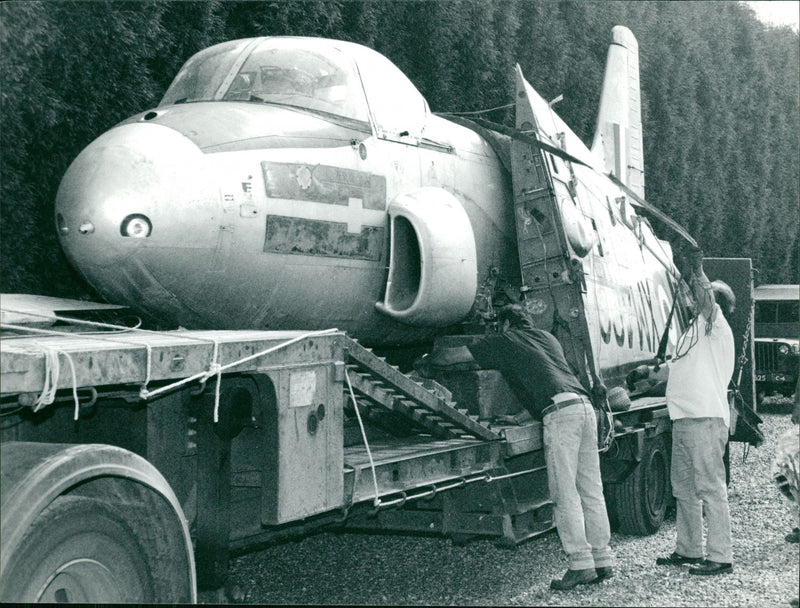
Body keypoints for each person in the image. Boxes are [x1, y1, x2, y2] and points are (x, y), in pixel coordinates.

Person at [423, 304, 614, 590]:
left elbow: (452, 357)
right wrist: (517, 417)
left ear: (504, 324)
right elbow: (549, 378)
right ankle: (603, 559)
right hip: (583, 408)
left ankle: (580, 565)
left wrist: (428, 358)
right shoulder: (547, 339)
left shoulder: (506, 340)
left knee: (565, 493)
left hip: (561, 416)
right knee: (591, 489)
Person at [655, 247, 736, 576]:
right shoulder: (693, 333)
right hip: (686, 420)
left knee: (710, 489)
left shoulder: (716, 328)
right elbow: (672, 370)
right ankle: (689, 550)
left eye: (705, 296)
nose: (696, 300)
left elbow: (705, 300)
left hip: (703, 420)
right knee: (684, 489)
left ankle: (721, 556)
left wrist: (698, 270)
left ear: (717, 305)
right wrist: (646, 375)